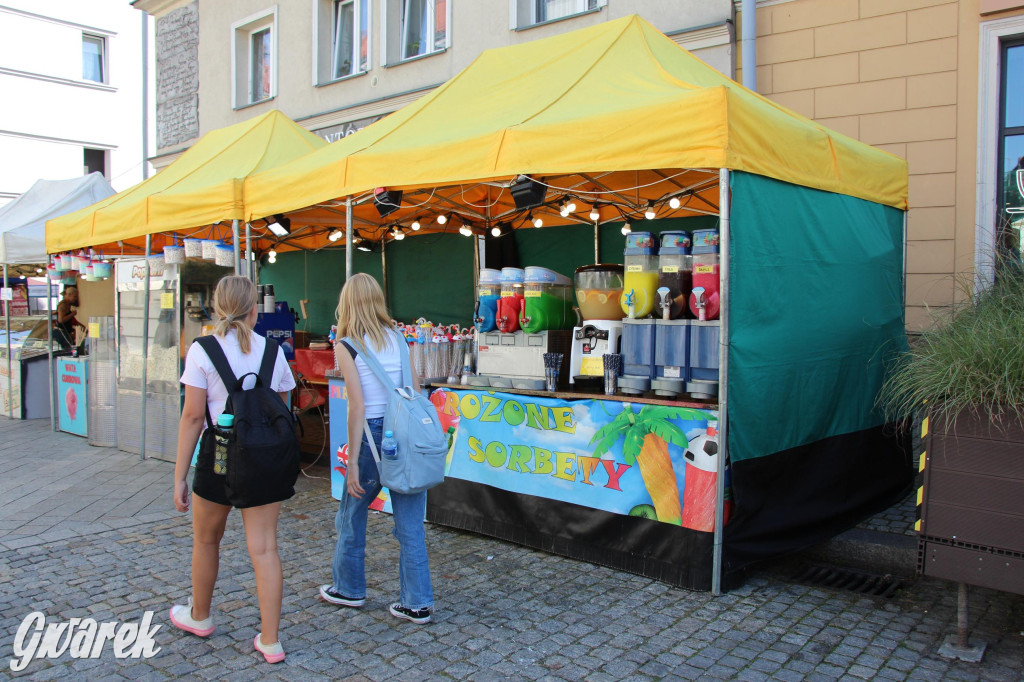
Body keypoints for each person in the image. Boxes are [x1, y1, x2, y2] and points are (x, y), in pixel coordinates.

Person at [171, 275, 297, 663]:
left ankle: (200, 616)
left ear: (216, 307)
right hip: (263, 459)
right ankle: (270, 641)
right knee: (265, 548)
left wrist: (179, 476)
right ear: (254, 311)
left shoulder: (202, 350)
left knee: (206, 540)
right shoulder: (273, 351)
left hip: (219, 456)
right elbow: (281, 409)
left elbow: (193, 417)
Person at [320, 273, 434, 624]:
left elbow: (356, 405)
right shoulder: (398, 338)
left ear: (347, 303)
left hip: (371, 435)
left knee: (351, 514)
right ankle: (417, 602)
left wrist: (353, 462)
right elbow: (415, 390)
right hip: (404, 433)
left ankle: (349, 588)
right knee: (411, 524)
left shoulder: (346, 344)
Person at [55, 285, 85, 349]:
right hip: (61, 332)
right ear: (69, 295)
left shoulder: (68, 305)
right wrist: (72, 314)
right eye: (75, 296)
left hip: (65, 332)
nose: (75, 299)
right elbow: (61, 320)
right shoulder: (63, 305)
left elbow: (73, 320)